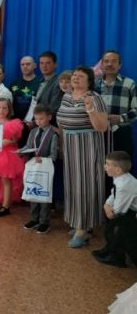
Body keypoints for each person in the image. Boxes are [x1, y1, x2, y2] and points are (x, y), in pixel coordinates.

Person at [57, 66, 108, 248]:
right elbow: (61, 123)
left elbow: (102, 127)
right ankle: (80, 223)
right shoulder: (66, 97)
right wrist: (61, 145)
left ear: (89, 81)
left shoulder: (95, 98)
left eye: (80, 76)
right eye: (74, 75)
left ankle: (82, 229)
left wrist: (90, 109)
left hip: (88, 146)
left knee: (86, 186)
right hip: (70, 146)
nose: (75, 78)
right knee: (73, 185)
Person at [91, 152, 137, 268]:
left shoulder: (124, 186)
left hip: (132, 213)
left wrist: (108, 209)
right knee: (112, 228)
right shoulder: (120, 178)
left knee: (114, 230)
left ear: (118, 170)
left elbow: (116, 212)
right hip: (128, 209)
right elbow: (113, 194)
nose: (104, 166)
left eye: (107, 164)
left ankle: (117, 258)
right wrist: (107, 204)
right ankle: (110, 250)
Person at [19, 104, 59, 234]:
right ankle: (34, 218)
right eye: (36, 119)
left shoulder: (53, 134)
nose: (38, 121)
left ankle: (44, 221)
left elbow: (54, 155)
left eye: (41, 119)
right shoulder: (33, 132)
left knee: (43, 194)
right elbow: (28, 147)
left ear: (49, 117)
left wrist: (42, 159)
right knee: (33, 192)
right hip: (33, 168)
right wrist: (20, 151)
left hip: (46, 169)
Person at [95, 50, 137, 157]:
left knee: (121, 165)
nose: (109, 64)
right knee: (100, 165)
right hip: (98, 133)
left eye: (113, 61)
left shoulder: (129, 83)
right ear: (102, 65)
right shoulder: (94, 85)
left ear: (119, 65)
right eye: (106, 61)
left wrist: (120, 118)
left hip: (121, 132)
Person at [10, 56, 41, 120]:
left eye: (28, 64)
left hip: (33, 122)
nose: (25, 66)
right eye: (22, 64)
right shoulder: (14, 84)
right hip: (14, 121)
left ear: (35, 65)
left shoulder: (40, 84)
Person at [35, 51, 63, 121]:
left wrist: (35, 122)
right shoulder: (40, 82)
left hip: (49, 123)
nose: (44, 66)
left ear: (55, 65)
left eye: (48, 63)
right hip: (38, 121)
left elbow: (54, 109)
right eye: (41, 63)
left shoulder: (58, 83)